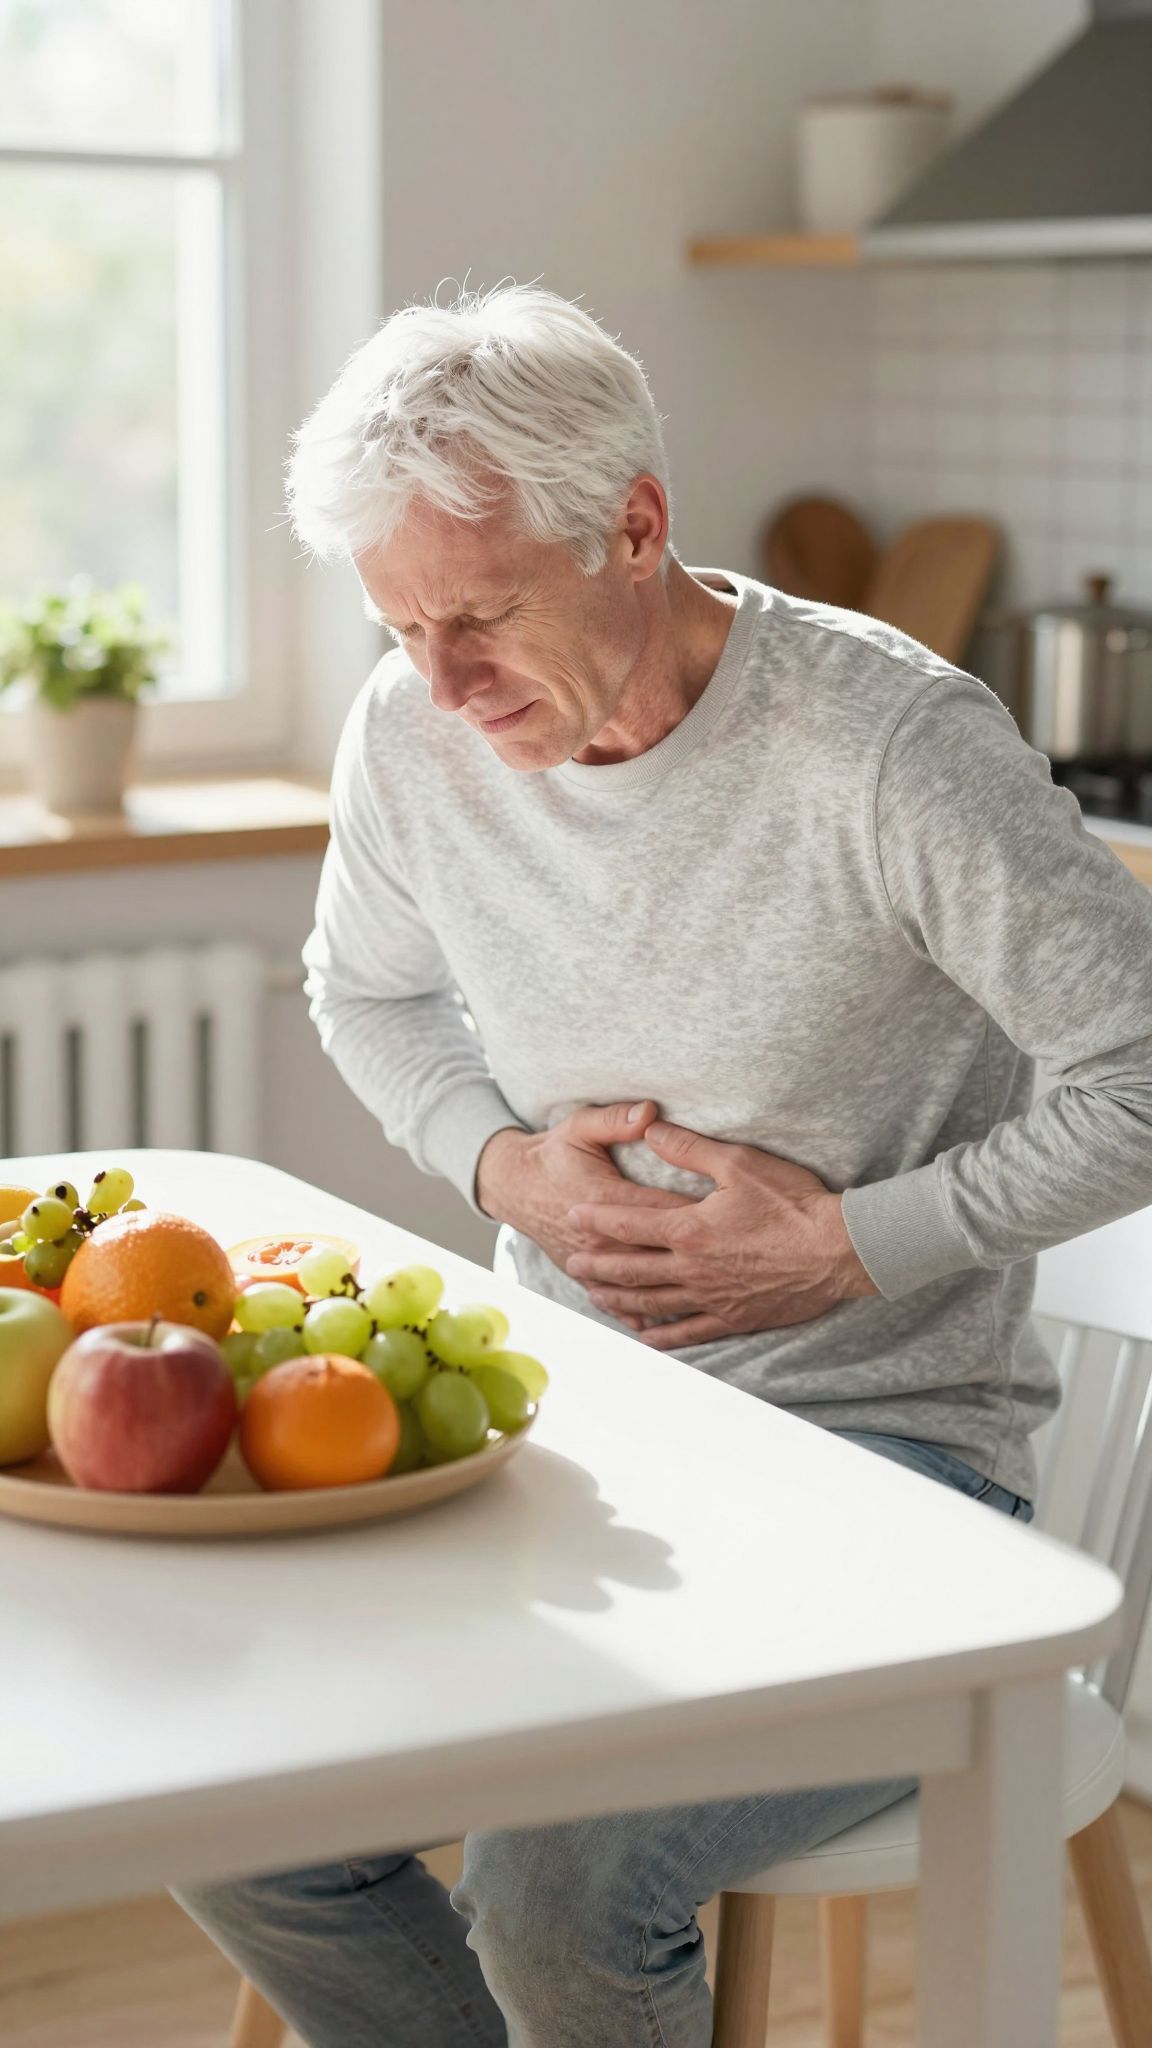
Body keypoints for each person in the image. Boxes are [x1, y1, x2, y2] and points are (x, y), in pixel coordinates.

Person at [176, 285, 1152, 2047]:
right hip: (576, 1440)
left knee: (559, 1899)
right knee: (237, 1809)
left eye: (479, 617)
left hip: (898, 1471)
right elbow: (365, 989)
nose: (446, 686)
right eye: (400, 628)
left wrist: (855, 1245)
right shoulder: (411, 729)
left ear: (636, 525)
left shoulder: (890, 746)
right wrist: (500, 1171)